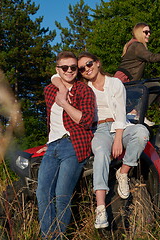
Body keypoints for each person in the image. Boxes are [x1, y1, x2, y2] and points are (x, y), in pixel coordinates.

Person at [52, 52, 149, 229]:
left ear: (97, 63)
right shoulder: (83, 87)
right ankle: (101, 208)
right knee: (101, 152)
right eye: (81, 68)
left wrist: (118, 138)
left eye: (89, 64)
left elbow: (120, 111)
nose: (86, 69)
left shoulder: (115, 83)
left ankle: (124, 172)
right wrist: (62, 86)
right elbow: (55, 75)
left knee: (142, 132)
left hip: (121, 126)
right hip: (99, 129)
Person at [36, 51, 96, 239]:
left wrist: (64, 103)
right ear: (58, 69)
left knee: (62, 195)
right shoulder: (49, 90)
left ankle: (59, 237)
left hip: (73, 144)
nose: (69, 71)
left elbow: (86, 121)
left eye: (73, 67)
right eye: (65, 67)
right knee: (43, 193)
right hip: (52, 145)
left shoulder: (84, 90)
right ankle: (49, 237)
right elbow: (51, 118)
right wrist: (48, 142)